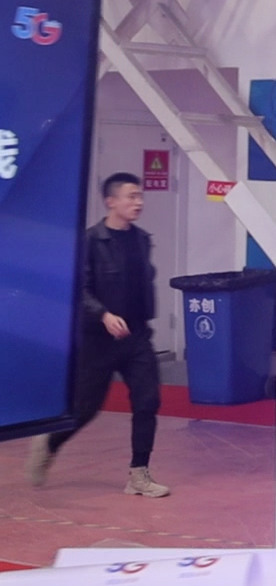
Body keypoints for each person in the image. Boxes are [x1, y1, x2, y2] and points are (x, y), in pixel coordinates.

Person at [27, 172, 171, 497]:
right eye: (131, 196)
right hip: (98, 340)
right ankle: (49, 443)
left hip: (137, 336)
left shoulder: (142, 239)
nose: (138, 202)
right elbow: (78, 289)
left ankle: (139, 475)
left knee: (148, 401)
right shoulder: (90, 241)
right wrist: (103, 314)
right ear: (111, 201)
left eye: (140, 196)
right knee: (86, 408)